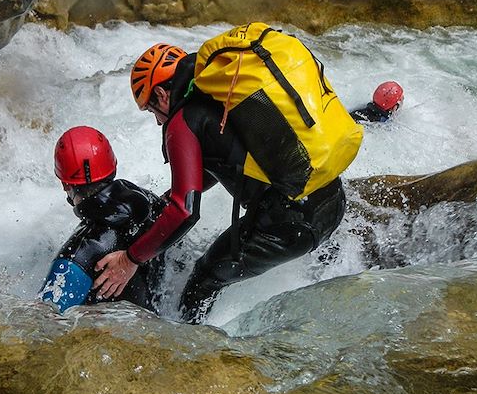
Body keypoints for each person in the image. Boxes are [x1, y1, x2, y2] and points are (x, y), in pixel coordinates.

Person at [95, 28, 356, 323]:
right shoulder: (224, 89)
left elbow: (184, 212)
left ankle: (192, 348)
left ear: (161, 94)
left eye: (152, 110)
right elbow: (230, 158)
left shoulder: (182, 123)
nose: (157, 121)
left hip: (291, 227)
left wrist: (129, 260)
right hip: (331, 200)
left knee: (204, 277)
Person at [39, 126, 165, 313]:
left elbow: (42, 325)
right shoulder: (150, 202)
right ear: (112, 165)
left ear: (65, 184)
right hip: (164, 312)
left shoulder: (77, 256)